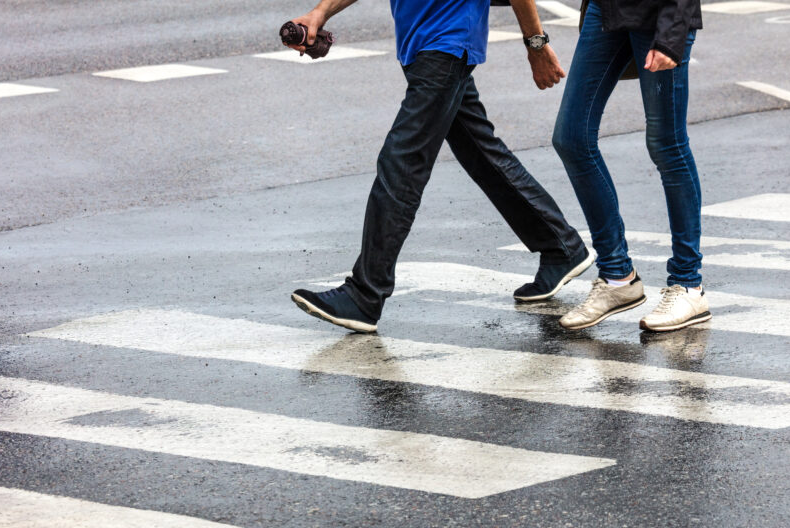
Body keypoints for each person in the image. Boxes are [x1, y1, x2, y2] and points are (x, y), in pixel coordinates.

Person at [289, 0, 592, 333]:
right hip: (422, 45)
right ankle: (561, 246)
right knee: (482, 154)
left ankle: (365, 294)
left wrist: (537, 45)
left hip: (447, 43)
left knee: (401, 165)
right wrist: (319, 14)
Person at [552, 0, 711, 333]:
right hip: (606, 8)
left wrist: (671, 34)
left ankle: (688, 285)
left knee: (667, 144)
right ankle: (617, 276)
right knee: (571, 138)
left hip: (658, 15)